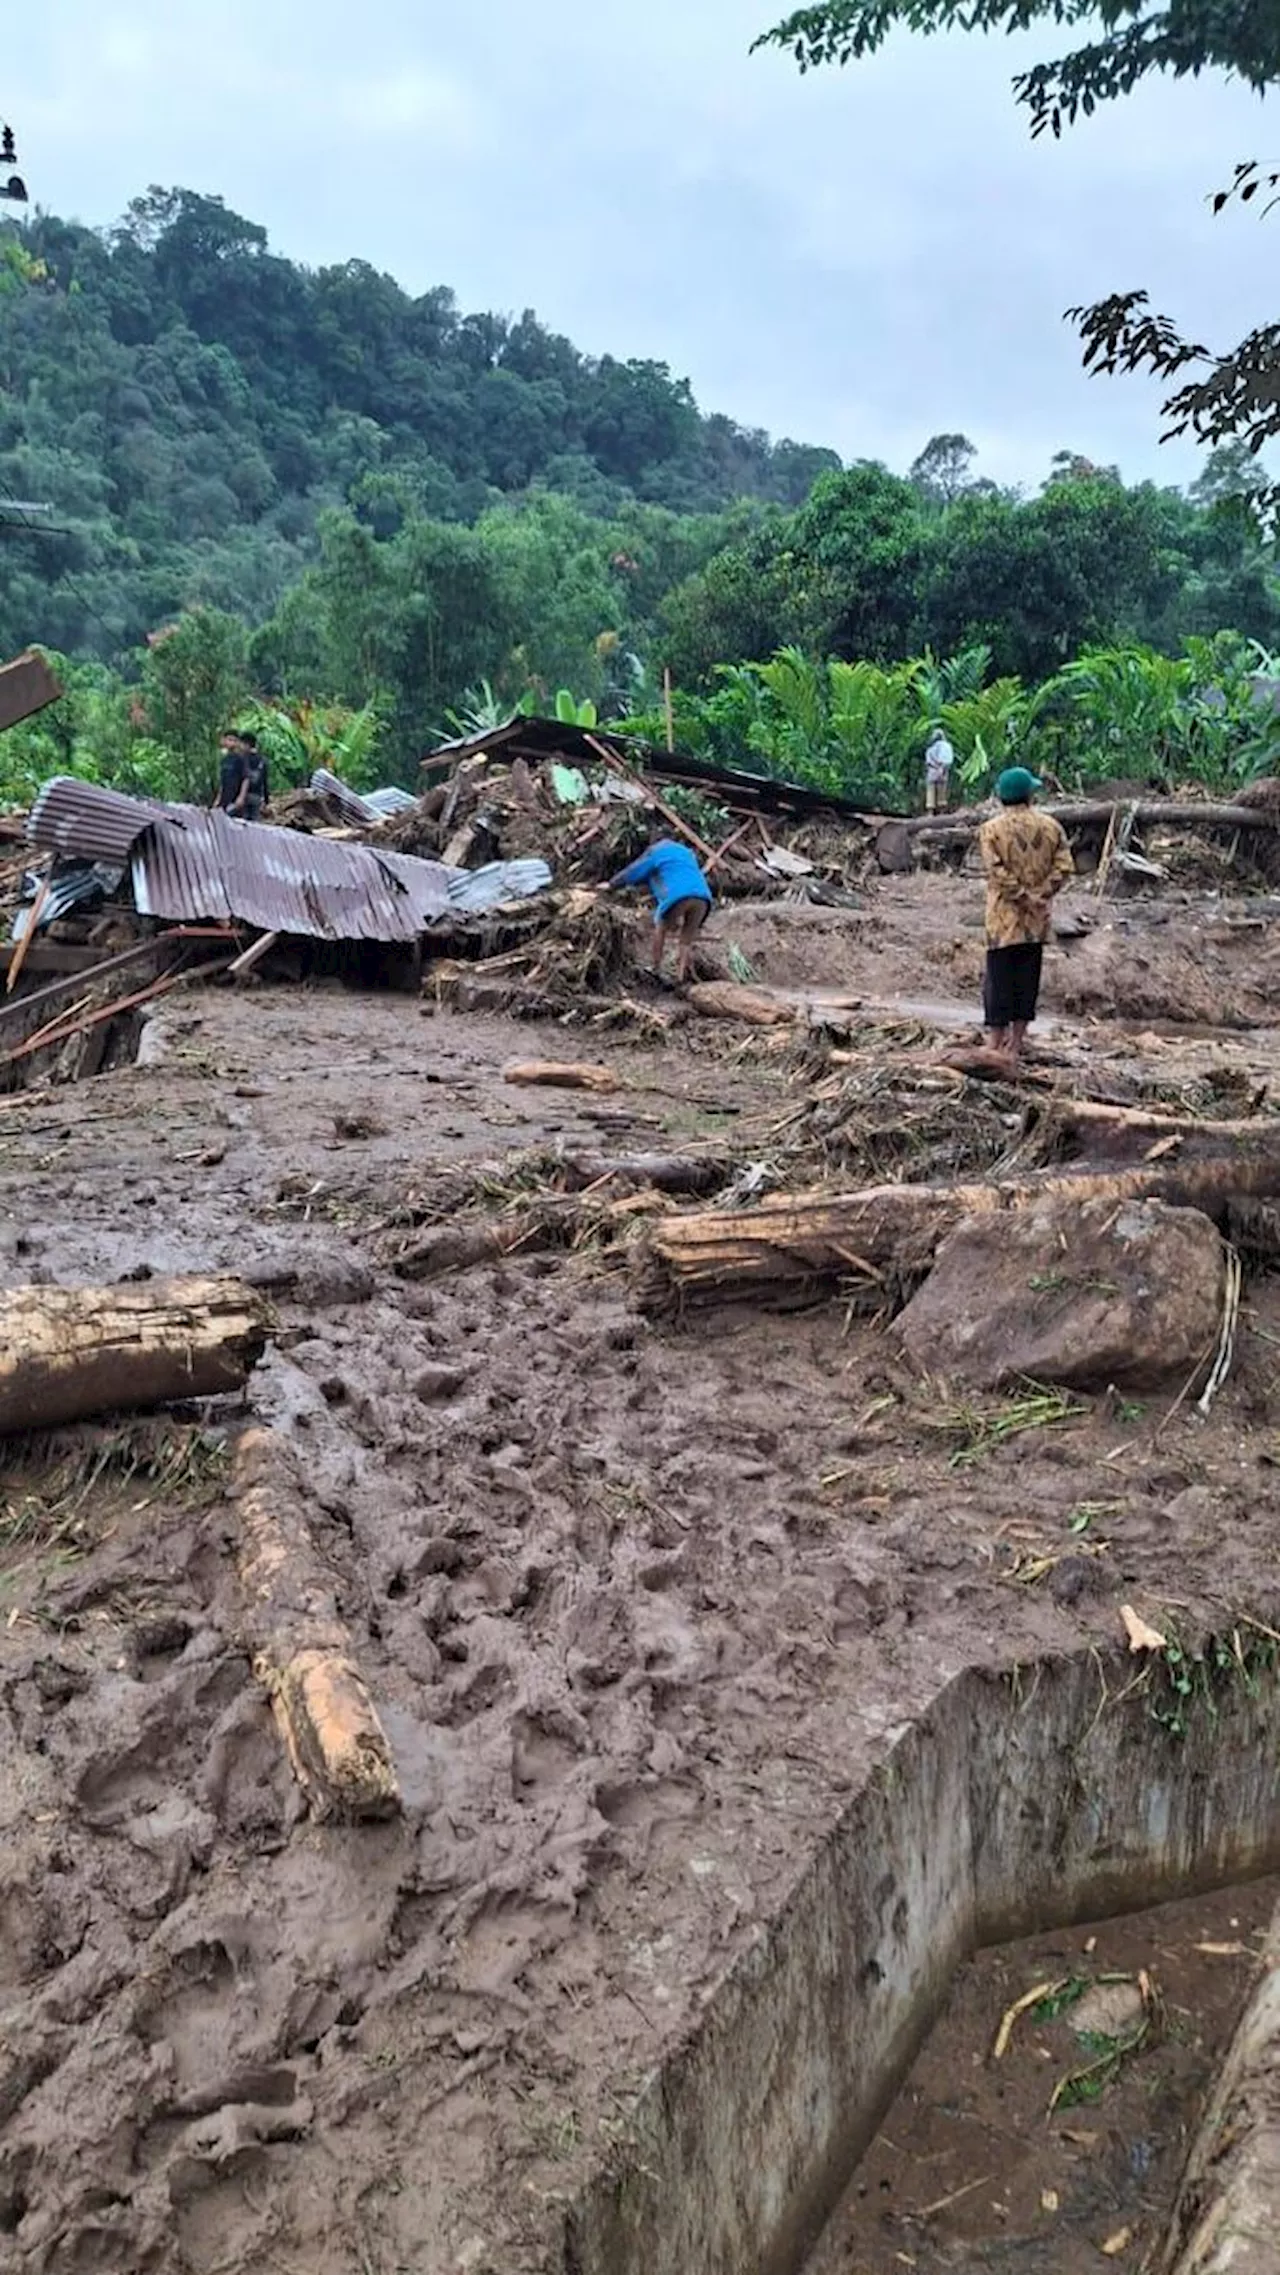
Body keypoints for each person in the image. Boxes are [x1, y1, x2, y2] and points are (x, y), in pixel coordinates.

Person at [978, 766, 1074, 1065]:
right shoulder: (1050, 826)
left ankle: (995, 1041)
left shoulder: (991, 830)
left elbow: (996, 872)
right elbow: (1065, 867)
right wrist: (1041, 895)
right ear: (1030, 794)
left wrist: (1022, 896)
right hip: (1036, 920)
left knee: (998, 978)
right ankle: (1016, 1043)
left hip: (1003, 919)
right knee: (1027, 978)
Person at [604, 834, 713, 982]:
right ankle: (680, 976)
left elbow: (635, 871)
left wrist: (612, 884)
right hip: (703, 896)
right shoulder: (685, 852)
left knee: (660, 926)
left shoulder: (656, 851)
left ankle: (655, 968)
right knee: (686, 939)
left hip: (679, 894)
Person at [923, 726, 954, 814]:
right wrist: (942, 768)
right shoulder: (947, 746)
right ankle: (941, 811)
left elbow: (927, 762)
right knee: (942, 790)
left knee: (930, 790)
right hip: (943, 770)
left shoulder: (930, 748)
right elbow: (948, 760)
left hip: (932, 770)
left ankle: (930, 812)